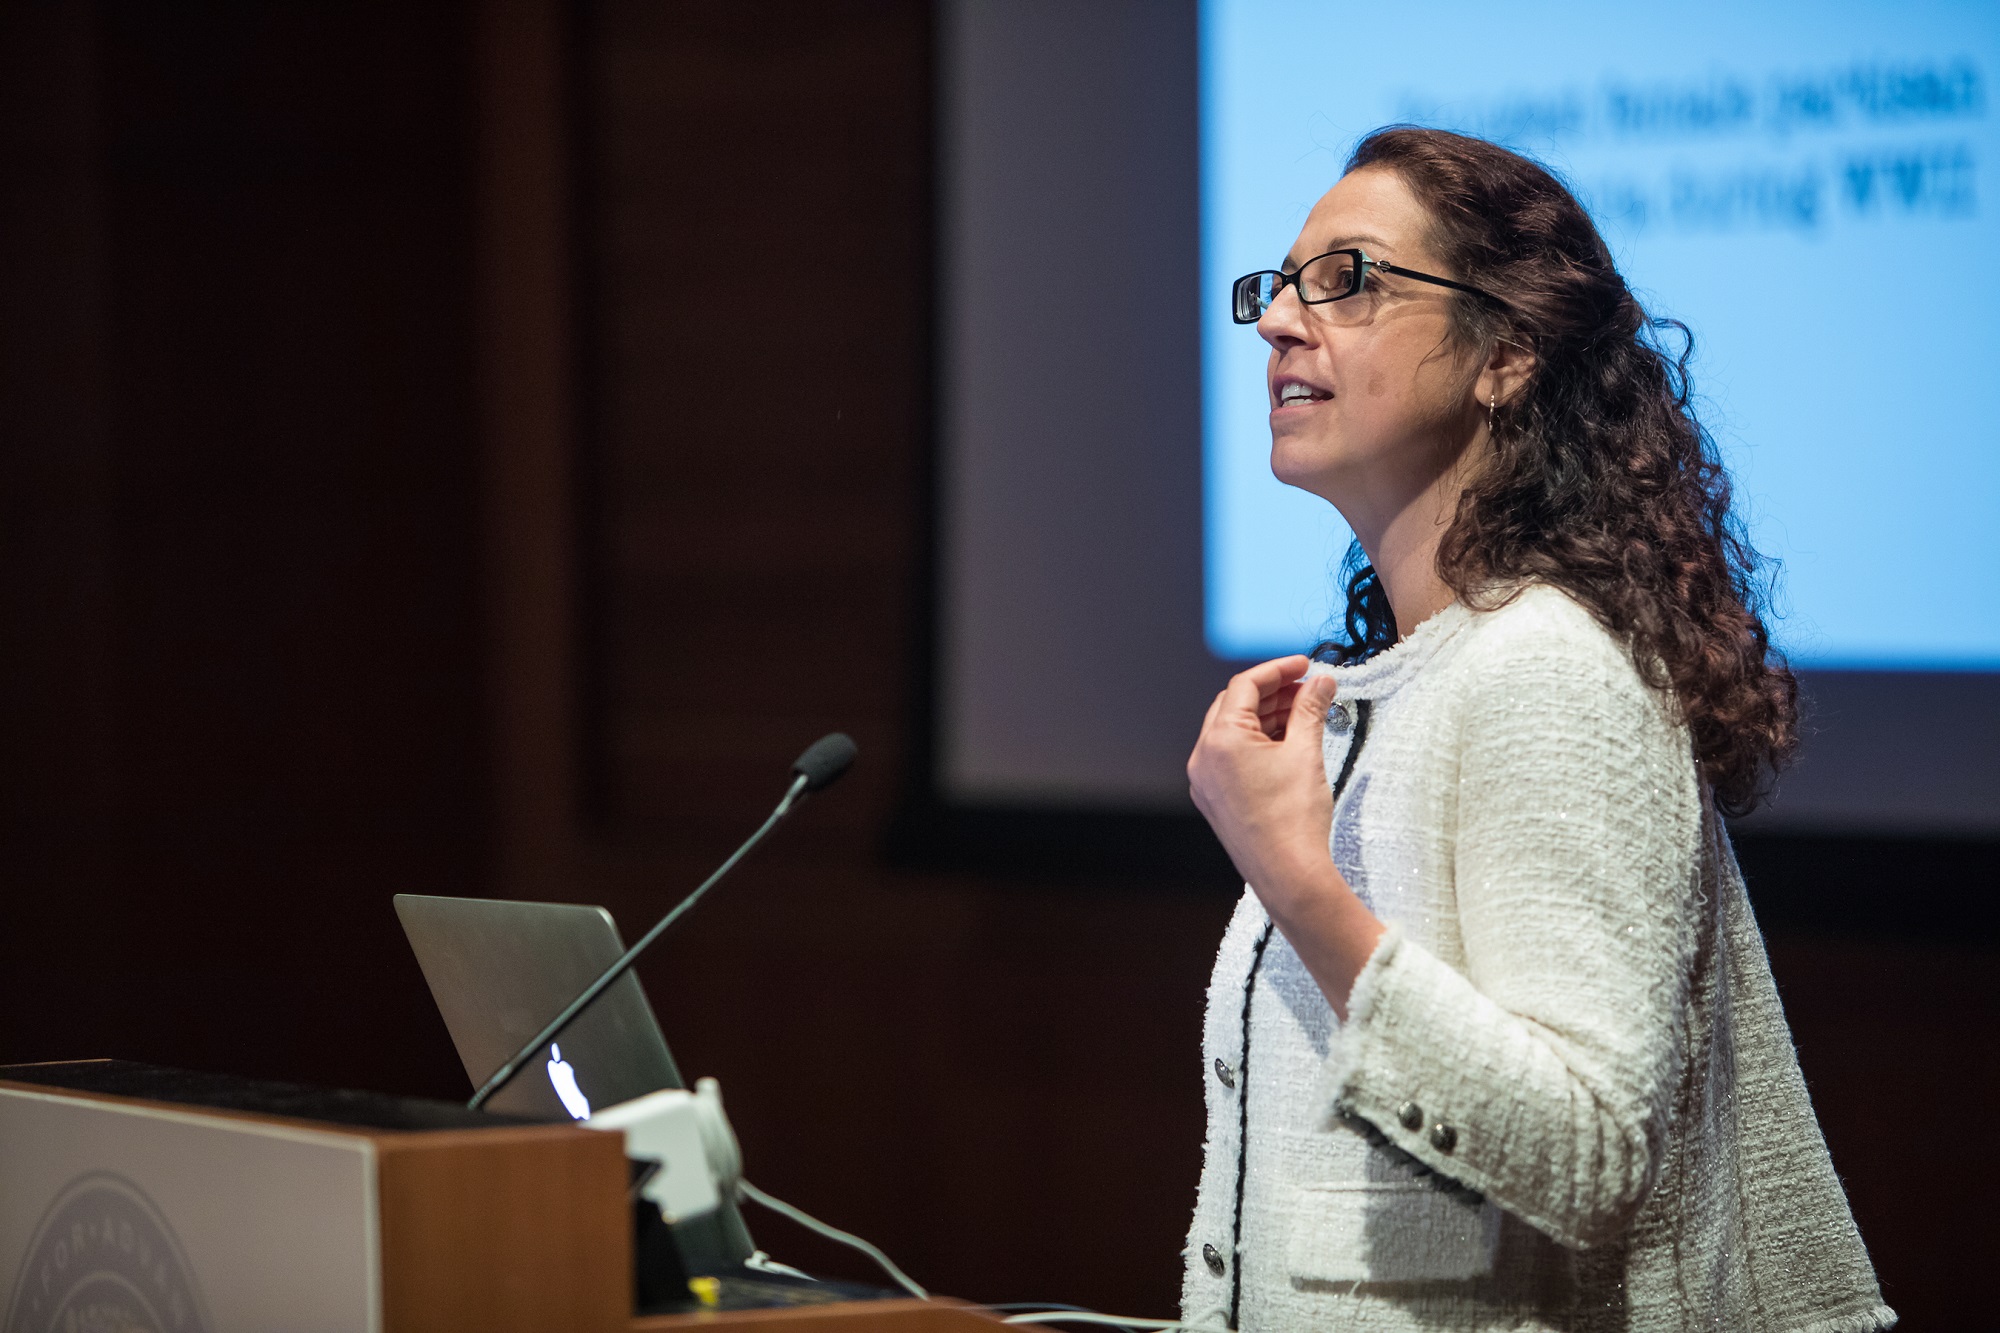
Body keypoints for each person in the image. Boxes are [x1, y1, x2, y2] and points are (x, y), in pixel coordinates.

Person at [1179, 126, 1893, 1332]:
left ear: (1503, 355)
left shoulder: (1548, 669)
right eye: (1281, 283)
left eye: (1344, 279)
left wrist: (1298, 883)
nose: (1278, 322)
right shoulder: (1419, 676)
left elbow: (1587, 1144)